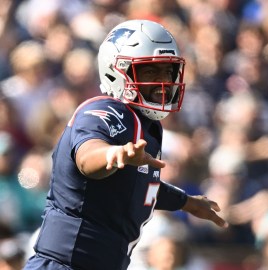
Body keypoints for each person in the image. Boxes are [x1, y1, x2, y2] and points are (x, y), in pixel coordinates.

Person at [23, 19, 228, 270]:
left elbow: (142, 187)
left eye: (167, 71)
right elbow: (87, 156)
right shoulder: (102, 110)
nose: (163, 81)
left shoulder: (147, 126)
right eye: (150, 71)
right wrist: (113, 154)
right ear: (115, 70)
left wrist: (187, 203)